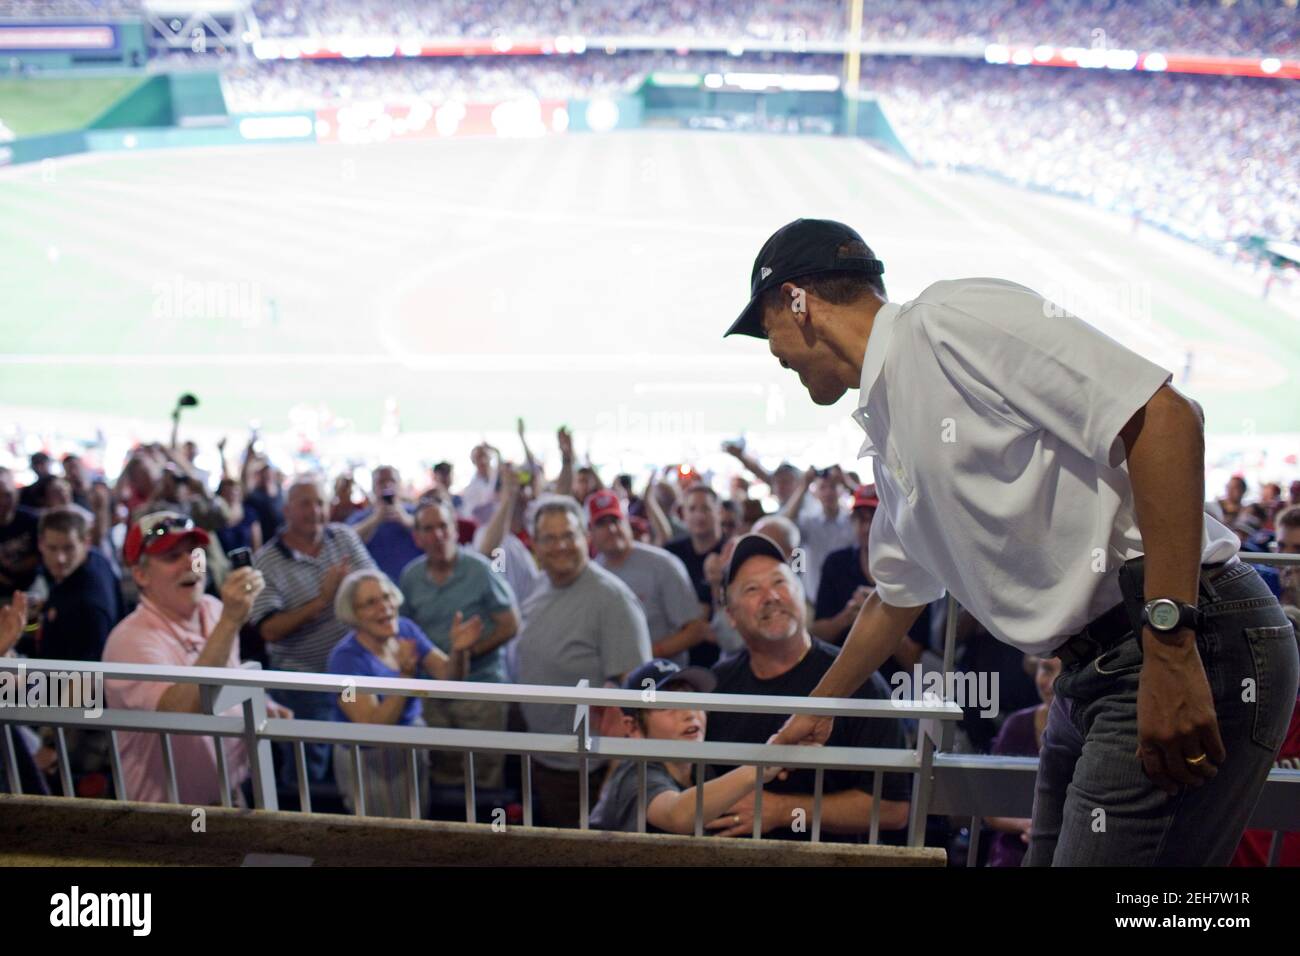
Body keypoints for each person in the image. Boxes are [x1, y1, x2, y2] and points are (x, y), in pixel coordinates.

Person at [736, 218, 1298, 865]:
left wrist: (1171, 649)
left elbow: (1168, 419)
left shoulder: (948, 321)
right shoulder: (887, 423)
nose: (770, 350)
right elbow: (898, 595)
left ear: (796, 301)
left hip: (1178, 640)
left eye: (765, 324)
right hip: (1095, 670)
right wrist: (819, 708)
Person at [705, 533, 912, 841]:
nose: (771, 597)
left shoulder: (854, 680)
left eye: (779, 582)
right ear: (730, 615)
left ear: (800, 593)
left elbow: (894, 808)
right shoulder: (716, 687)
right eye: (752, 589)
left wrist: (779, 810)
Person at [102, 512, 290, 805]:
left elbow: (229, 675)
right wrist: (230, 622)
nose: (191, 563)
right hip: (165, 815)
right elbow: (179, 712)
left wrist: (261, 706)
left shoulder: (213, 608)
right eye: (172, 556)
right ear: (141, 574)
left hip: (228, 796)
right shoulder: (130, 640)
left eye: (194, 552)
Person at [514, 495, 652, 827]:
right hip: (545, 759)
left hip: (588, 770)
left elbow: (635, 697)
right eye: (549, 538)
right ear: (534, 544)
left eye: (569, 535)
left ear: (585, 539)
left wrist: (615, 777)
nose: (560, 545)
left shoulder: (612, 598)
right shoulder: (540, 585)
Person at [251, 476, 376, 790]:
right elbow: (269, 630)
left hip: (355, 676)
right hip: (302, 684)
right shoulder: (267, 560)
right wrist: (322, 599)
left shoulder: (344, 538)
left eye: (320, 503)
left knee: (357, 764)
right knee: (308, 775)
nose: (314, 511)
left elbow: (375, 588)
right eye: (305, 503)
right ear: (286, 510)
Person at [327, 569, 476, 817]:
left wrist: (459, 651)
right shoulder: (344, 661)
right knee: (383, 838)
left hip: (411, 746)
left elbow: (449, 677)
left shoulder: (405, 629)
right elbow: (371, 727)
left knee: (416, 824)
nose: (384, 607)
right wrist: (406, 676)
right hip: (371, 760)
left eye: (387, 597)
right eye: (370, 603)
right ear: (353, 614)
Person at [398, 497, 519, 790]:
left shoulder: (480, 570)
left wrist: (466, 654)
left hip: (480, 689)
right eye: (428, 528)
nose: (437, 535)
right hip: (432, 691)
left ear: (455, 529)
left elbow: (510, 624)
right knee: (442, 770)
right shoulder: (411, 577)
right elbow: (404, 629)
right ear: (417, 537)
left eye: (443, 526)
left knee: (485, 773)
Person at [590, 659, 784, 834]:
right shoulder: (635, 774)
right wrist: (759, 769)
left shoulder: (701, 770)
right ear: (632, 727)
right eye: (668, 704)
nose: (689, 713)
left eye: (693, 699)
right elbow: (676, 815)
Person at [588, 490, 711, 668]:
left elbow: (695, 629)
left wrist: (645, 654)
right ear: (590, 531)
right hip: (609, 681)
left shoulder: (663, 564)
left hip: (664, 681)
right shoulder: (590, 575)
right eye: (602, 523)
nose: (612, 529)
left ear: (627, 522)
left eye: (616, 520)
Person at [985, 655, 1063, 867]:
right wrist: (1026, 826)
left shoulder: (1092, 731)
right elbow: (989, 808)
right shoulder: (1017, 725)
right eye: (1046, 670)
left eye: (1064, 672)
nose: (1053, 683)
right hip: (1012, 852)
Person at [780, 466, 854, 602]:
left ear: (841, 490)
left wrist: (849, 484)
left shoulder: (851, 522)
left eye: (833, 487)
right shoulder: (809, 522)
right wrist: (803, 486)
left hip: (846, 596)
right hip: (813, 596)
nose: (828, 492)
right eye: (823, 488)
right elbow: (786, 525)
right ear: (815, 493)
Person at [349, 465, 422, 584]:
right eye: (381, 482)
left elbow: (432, 532)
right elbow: (347, 540)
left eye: (392, 481)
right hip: (376, 588)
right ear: (373, 488)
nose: (387, 485)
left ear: (400, 485)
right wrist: (375, 519)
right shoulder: (360, 517)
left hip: (415, 583)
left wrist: (406, 520)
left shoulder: (416, 512)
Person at [0, 467, 40, 600]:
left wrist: (16, 568)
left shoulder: (32, 520)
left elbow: (42, 555)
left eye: (7, 495)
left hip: (32, 590)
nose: (2, 502)